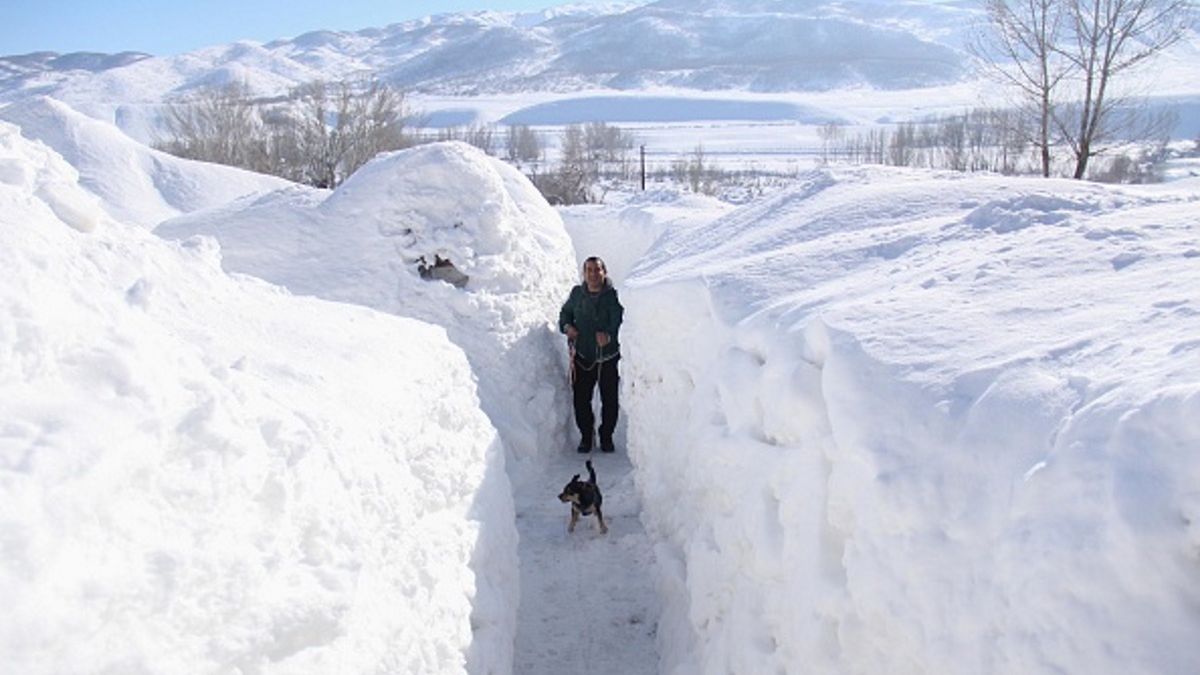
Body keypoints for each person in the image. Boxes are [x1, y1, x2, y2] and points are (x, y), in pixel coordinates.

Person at [559, 256, 624, 453]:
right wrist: (567, 327)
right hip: (583, 357)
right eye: (589, 270)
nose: (593, 274)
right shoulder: (577, 293)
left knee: (610, 401)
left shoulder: (614, 297)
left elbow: (620, 322)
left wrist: (610, 336)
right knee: (581, 400)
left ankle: (606, 436)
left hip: (608, 358)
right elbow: (565, 314)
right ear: (584, 273)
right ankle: (587, 437)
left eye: (597, 270)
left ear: (604, 272)